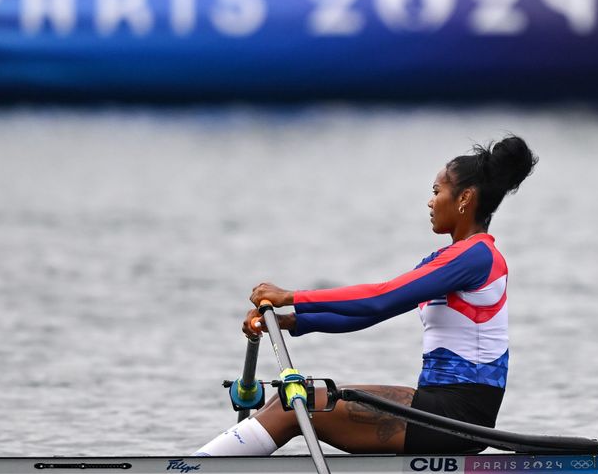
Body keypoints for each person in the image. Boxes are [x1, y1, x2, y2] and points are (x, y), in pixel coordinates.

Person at [194, 135, 538, 456]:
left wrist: (291, 296)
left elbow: (380, 297)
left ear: (464, 198)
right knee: (287, 399)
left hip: (460, 416)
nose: (430, 201)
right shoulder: (446, 260)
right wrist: (290, 322)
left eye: (437, 191)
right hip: (439, 406)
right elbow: (370, 313)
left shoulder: (477, 257)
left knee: (294, 405)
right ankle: (202, 466)